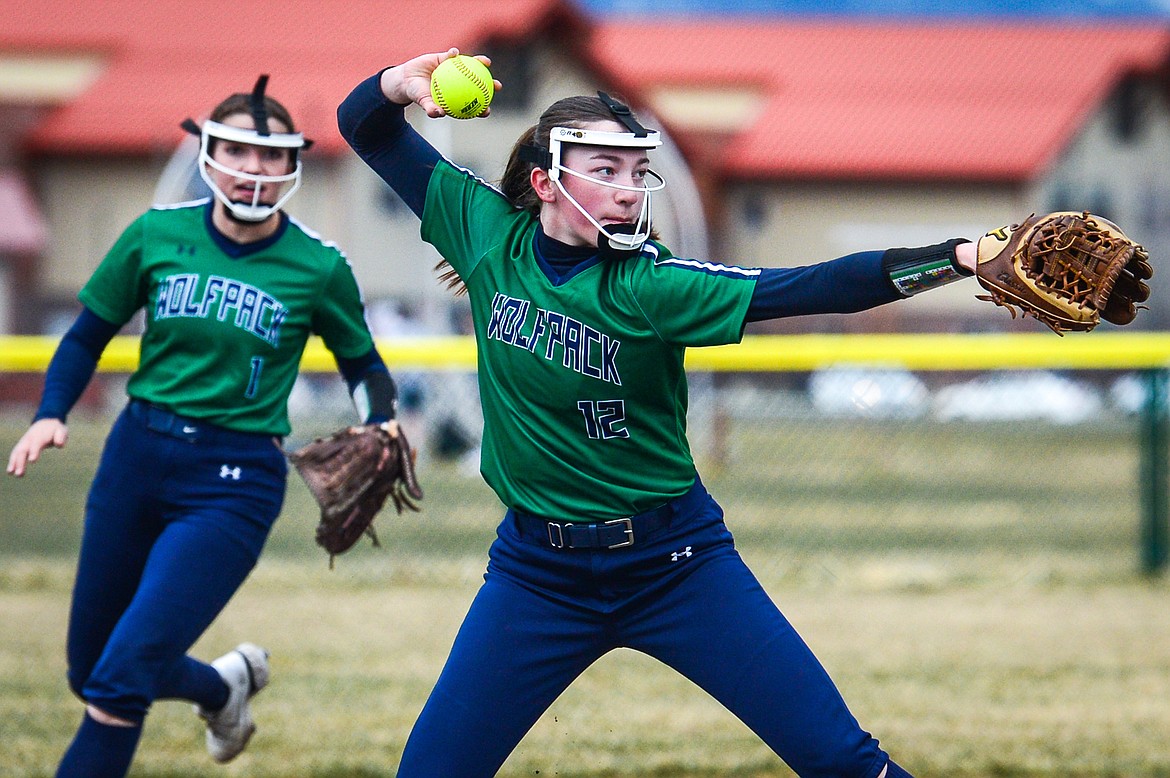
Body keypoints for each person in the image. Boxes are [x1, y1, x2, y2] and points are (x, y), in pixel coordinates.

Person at [338, 48, 982, 778]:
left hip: (674, 565)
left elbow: (815, 286)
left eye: (637, 173)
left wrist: (959, 256)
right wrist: (399, 84)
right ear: (546, 182)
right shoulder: (487, 235)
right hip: (535, 573)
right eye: (605, 170)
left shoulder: (655, 283)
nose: (628, 190)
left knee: (840, 759)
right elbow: (367, 127)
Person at [7, 75, 402, 778]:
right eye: (237, 152)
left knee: (120, 678)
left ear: (292, 164)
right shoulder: (156, 233)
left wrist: (383, 420)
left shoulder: (317, 264)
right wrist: (49, 414)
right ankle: (223, 687)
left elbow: (363, 364)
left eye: (270, 156)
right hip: (136, 454)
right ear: (208, 154)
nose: (254, 170)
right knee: (91, 668)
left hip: (232, 479)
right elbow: (85, 335)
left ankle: (214, 690)